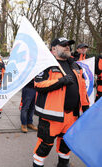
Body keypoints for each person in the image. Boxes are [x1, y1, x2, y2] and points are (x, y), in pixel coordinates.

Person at [33, 37, 90, 167]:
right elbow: (38, 84)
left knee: (66, 144)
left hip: (72, 116)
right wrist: (60, 82)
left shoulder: (75, 65)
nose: (67, 47)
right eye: (63, 45)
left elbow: (82, 88)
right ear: (53, 49)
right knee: (44, 146)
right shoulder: (46, 65)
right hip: (52, 117)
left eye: (68, 45)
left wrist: (86, 107)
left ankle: (63, 164)